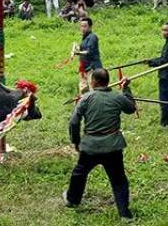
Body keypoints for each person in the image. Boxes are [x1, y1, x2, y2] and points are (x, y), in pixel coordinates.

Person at [64, 69, 136, 221]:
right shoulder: (117, 97)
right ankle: (125, 214)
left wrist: (76, 141)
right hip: (113, 147)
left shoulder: (86, 98)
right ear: (107, 82)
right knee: (119, 180)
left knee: (79, 173)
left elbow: (74, 122)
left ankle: (72, 200)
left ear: (94, 82)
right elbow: (130, 108)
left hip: (90, 147)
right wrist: (126, 89)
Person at [75, 17, 102, 94]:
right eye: (81, 26)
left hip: (92, 68)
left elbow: (90, 52)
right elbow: (83, 50)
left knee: (94, 90)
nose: (82, 28)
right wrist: (78, 48)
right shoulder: (85, 38)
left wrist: (78, 53)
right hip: (84, 68)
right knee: (83, 90)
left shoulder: (92, 37)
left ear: (90, 27)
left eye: (85, 26)